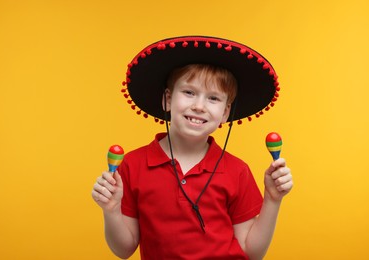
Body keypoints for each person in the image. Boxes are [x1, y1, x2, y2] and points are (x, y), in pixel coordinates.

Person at [92, 36, 293, 260]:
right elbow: (123, 249)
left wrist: (273, 200)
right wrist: (110, 210)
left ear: (225, 114)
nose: (199, 106)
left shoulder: (237, 170)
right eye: (189, 92)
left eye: (213, 98)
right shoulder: (133, 164)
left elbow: (252, 252)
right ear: (168, 99)